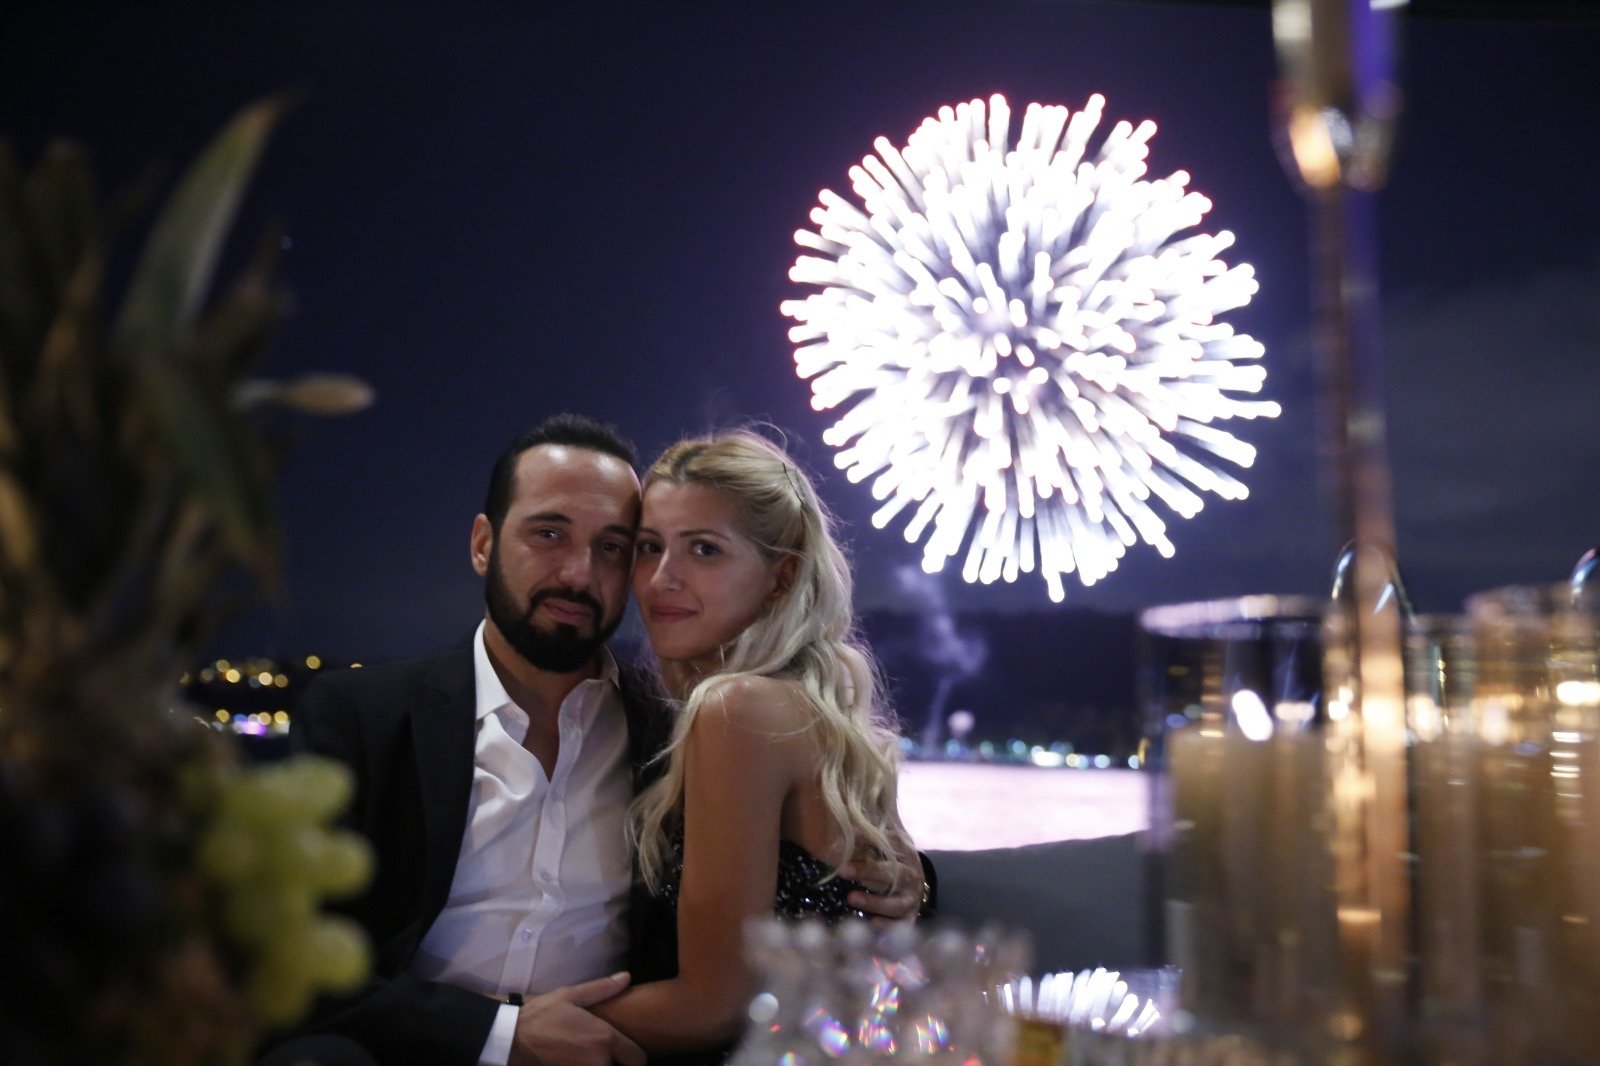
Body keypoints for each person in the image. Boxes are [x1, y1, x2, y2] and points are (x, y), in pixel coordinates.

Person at [265, 415, 926, 1066]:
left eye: (613, 546)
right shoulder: (364, 716)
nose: (580, 575)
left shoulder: (678, 728)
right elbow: (284, 952)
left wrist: (914, 882)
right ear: (483, 545)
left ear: (779, 574)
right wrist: (499, 1035)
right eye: (549, 534)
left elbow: (805, 881)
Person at [581, 430, 913, 1061]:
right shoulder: (814, 709)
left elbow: (713, 1008)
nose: (661, 579)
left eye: (704, 550)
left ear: (780, 577)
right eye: (649, 548)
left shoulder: (735, 709)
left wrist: (510, 1025)